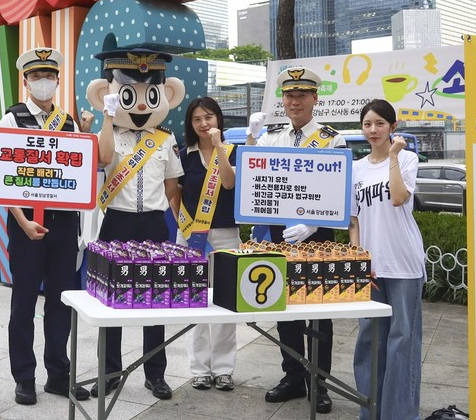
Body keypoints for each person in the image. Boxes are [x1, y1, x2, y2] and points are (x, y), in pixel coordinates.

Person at [86, 49, 186, 400]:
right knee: (111, 299)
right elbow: (104, 158)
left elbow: (172, 185)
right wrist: (108, 117)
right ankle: (110, 371)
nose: (141, 105)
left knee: (156, 301)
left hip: (155, 226)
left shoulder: (167, 138)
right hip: (117, 223)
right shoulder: (109, 132)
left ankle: (155, 373)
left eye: (150, 93)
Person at [0, 48, 94, 405]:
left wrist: (85, 134)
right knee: (23, 301)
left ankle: (58, 373)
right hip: (25, 223)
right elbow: (1, 178)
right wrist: (22, 221)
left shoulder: (68, 121)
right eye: (36, 76)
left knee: (61, 301)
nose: (43, 82)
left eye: (49, 76)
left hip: (64, 223)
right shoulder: (12, 119)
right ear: (25, 81)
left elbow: (80, 175)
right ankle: (24, 376)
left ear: (57, 80)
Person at [247, 65, 345, 414]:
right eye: (289, 95)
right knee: (284, 307)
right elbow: (254, 180)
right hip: (279, 234)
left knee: (319, 311)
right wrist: (250, 140)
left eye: (302, 94)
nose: (295, 101)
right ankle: (291, 376)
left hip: (317, 236)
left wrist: (312, 225)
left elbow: (338, 192)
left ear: (315, 98)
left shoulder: (333, 138)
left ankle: (318, 382)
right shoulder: (272, 136)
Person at [349, 99, 425, 420]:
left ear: (392, 127)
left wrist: (393, 156)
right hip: (372, 266)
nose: (373, 130)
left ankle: (399, 415)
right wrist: (358, 260)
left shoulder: (407, 158)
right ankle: (370, 412)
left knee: (401, 341)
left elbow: (398, 198)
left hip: (405, 263)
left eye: (380, 123)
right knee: (370, 340)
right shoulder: (355, 169)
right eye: (368, 124)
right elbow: (353, 222)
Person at [170, 97, 239, 391]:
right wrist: (183, 227)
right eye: (197, 119)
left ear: (219, 119)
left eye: (208, 117)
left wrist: (219, 147)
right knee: (194, 300)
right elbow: (174, 194)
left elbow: (228, 184)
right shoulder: (183, 154)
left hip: (225, 233)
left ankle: (223, 368)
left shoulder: (233, 152)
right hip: (191, 235)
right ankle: (199, 368)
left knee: (225, 302)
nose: (203, 124)